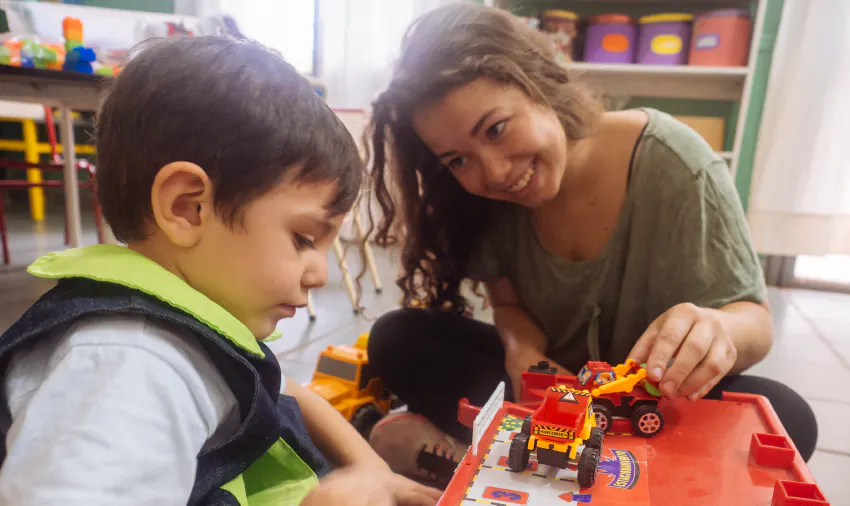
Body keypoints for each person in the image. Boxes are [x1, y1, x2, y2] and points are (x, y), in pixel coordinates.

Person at [364, 3, 817, 481]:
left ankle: (485, 454)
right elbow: (508, 305)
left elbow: (756, 322)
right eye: (458, 160)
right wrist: (522, 349)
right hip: (549, 393)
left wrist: (716, 331)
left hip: (646, 399)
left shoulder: (676, 164)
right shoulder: (484, 202)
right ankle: (622, 473)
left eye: (496, 129)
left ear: (538, 82)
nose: (493, 173)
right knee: (398, 337)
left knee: (787, 416)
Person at [0, 37, 440, 506]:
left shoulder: (185, 330)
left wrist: (369, 467)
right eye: (304, 239)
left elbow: (284, 392)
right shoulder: (131, 366)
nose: (316, 273)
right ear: (187, 208)